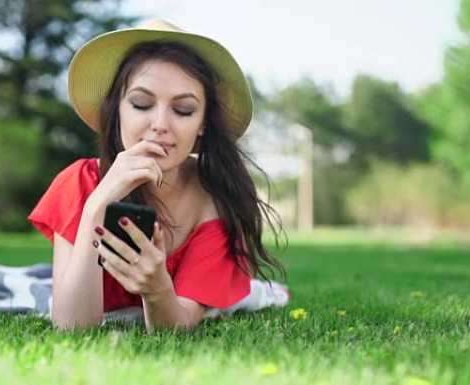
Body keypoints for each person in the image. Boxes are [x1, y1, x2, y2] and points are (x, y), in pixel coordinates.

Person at [28, 19, 287, 331]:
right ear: (117, 109)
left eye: (183, 111)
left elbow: (175, 330)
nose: (160, 124)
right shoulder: (79, 182)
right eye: (141, 104)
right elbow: (72, 328)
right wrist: (96, 204)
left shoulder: (215, 203)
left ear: (203, 124)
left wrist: (158, 288)